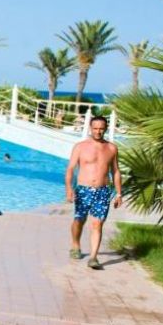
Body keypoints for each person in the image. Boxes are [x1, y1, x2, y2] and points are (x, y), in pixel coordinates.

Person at [64, 114, 122, 269]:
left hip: (103, 191)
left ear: (106, 129)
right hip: (83, 190)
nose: (98, 131)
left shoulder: (112, 148)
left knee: (97, 224)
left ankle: (93, 257)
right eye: (95, 128)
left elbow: (116, 171)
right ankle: (75, 245)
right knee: (79, 220)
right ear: (90, 128)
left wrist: (119, 193)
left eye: (101, 129)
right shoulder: (80, 147)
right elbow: (70, 169)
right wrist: (69, 188)